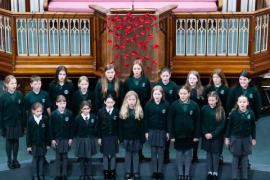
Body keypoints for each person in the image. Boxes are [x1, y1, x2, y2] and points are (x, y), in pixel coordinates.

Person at [168, 85, 200, 180]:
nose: (183, 95)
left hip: (190, 135)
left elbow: (198, 121)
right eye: (181, 93)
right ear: (178, 94)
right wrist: (171, 135)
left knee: (187, 154)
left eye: (185, 93)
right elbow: (170, 121)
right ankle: (180, 173)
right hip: (178, 135)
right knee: (179, 154)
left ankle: (187, 173)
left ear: (189, 94)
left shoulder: (194, 105)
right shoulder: (174, 105)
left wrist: (196, 135)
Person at [124, 60, 150, 161]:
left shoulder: (145, 80)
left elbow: (148, 95)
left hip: (141, 109)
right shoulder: (128, 81)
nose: (136, 70)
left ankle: (140, 152)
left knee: (140, 131)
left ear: (141, 70)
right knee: (132, 130)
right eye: (135, 68)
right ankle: (131, 152)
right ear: (132, 70)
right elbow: (125, 95)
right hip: (130, 109)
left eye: (138, 68)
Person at [225, 95, 256, 180]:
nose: (242, 103)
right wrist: (227, 137)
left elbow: (253, 127)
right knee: (235, 157)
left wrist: (253, 138)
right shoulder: (233, 113)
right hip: (235, 138)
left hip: (246, 138)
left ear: (247, 103)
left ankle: (245, 177)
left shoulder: (251, 113)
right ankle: (234, 177)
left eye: (244, 102)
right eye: (240, 102)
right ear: (238, 103)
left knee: (245, 157)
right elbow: (229, 126)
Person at [0, 75, 26, 169]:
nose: (14, 85)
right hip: (7, 124)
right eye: (12, 83)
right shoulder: (2, 97)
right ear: (6, 85)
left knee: (16, 141)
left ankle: (15, 159)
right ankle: (9, 160)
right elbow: (1, 113)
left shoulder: (19, 94)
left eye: (15, 83)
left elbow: (23, 110)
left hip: (17, 123)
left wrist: (23, 123)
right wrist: (2, 127)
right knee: (9, 141)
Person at [204, 68, 229, 163]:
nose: (215, 79)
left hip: (220, 115)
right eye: (214, 77)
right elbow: (205, 102)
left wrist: (225, 116)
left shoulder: (225, 89)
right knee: (210, 136)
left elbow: (227, 103)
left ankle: (220, 154)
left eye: (217, 77)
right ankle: (211, 155)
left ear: (221, 78)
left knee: (219, 136)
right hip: (210, 116)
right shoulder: (209, 88)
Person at [144, 85, 169, 179]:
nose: (157, 96)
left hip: (162, 131)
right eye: (155, 94)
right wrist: (146, 131)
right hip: (152, 131)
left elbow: (168, 120)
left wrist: (168, 132)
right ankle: (155, 171)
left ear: (162, 94)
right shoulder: (148, 104)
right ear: (152, 94)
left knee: (161, 151)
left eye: (159, 94)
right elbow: (145, 119)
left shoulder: (166, 104)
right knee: (153, 151)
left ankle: (160, 171)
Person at [119, 91, 144, 180]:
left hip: (136, 137)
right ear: (126, 100)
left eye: (133, 99)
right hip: (126, 137)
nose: (132, 101)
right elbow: (120, 127)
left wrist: (142, 139)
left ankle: (136, 172)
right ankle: (128, 172)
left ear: (136, 100)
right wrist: (121, 139)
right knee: (128, 155)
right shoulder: (123, 111)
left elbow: (142, 127)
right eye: (129, 99)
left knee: (136, 155)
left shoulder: (139, 111)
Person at [155, 67, 178, 164]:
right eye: (163, 76)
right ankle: (159, 153)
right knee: (160, 131)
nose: (165, 77)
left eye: (167, 75)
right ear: (160, 76)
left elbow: (176, 99)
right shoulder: (158, 85)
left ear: (170, 75)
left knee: (168, 131)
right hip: (159, 111)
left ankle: (166, 152)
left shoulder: (173, 85)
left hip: (170, 111)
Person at [201, 92, 225, 180]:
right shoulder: (204, 109)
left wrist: (213, 134)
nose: (211, 102)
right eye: (209, 100)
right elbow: (201, 122)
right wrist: (205, 133)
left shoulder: (220, 109)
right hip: (206, 135)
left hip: (216, 136)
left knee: (215, 154)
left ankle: (215, 172)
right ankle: (209, 172)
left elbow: (222, 124)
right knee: (208, 154)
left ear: (216, 100)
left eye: (213, 100)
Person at [50, 95, 74, 180]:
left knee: (65, 157)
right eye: (60, 103)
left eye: (64, 102)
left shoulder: (69, 113)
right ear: (57, 103)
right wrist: (52, 139)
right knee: (58, 157)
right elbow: (51, 128)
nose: (62, 104)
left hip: (66, 139)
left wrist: (71, 138)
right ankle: (58, 175)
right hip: (57, 139)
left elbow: (71, 127)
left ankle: (64, 175)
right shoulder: (53, 114)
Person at [97, 94, 119, 180]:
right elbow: (98, 126)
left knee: (113, 154)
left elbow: (119, 126)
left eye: (111, 102)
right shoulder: (100, 111)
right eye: (108, 102)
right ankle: (106, 171)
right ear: (105, 102)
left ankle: (112, 171)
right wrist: (99, 137)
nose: (110, 104)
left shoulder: (117, 111)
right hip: (104, 136)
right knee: (105, 154)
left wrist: (119, 137)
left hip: (114, 136)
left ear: (114, 103)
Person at [184, 70, 205, 163]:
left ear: (197, 80)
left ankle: (195, 155)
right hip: (186, 117)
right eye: (190, 78)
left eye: (194, 78)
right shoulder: (184, 89)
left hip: (197, 117)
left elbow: (204, 104)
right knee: (188, 136)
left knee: (195, 136)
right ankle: (187, 154)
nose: (191, 80)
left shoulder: (201, 90)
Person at [74, 101, 97, 180]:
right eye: (84, 109)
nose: (86, 110)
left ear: (90, 109)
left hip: (90, 139)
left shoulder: (93, 117)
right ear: (81, 109)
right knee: (82, 158)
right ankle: (83, 174)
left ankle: (89, 174)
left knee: (89, 158)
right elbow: (75, 130)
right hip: (81, 139)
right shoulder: (77, 118)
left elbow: (95, 128)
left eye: (88, 109)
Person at [26, 102, 50, 180]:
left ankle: (41, 174)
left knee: (41, 158)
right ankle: (35, 175)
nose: (39, 113)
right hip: (34, 144)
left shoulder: (45, 119)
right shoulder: (30, 120)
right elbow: (28, 134)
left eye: (40, 111)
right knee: (35, 159)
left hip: (43, 143)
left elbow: (47, 132)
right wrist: (28, 145)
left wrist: (48, 143)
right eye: (37, 111)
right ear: (33, 111)